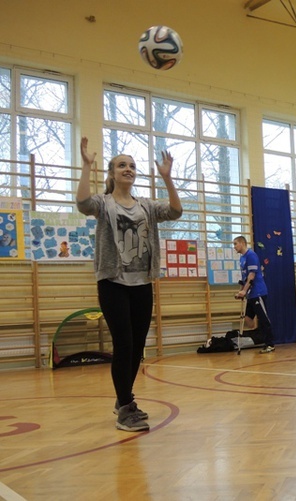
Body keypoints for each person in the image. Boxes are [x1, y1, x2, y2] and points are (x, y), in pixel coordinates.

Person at [76, 137, 183, 432]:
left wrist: (167, 178)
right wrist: (86, 166)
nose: (128, 169)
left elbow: (175, 212)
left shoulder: (146, 206)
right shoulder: (104, 203)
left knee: (137, 346)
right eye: (122, 165)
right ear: (112, 173)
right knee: (123, 343)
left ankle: (123, 398)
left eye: (132, 166)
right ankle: (125, 405)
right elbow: (83, 203)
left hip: (141, 283)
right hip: (112, 281)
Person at [233, 236, 275, 353]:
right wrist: (241, 292)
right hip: (250, 294)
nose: (234, 247)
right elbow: (244, 278)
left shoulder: (251, 256)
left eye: (236, 244)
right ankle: (258, 338)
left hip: (258, 292)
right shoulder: (242, 259)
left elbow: (252, 276)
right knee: (248, 320)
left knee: (263, 319)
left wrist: (244, 291)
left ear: (242, 243)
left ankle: (270, 344)